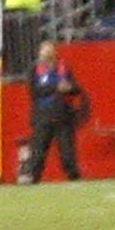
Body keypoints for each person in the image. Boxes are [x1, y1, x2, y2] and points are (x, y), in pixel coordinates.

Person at [20, 40, 89, 183]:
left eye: (50, 50)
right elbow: (34, 91)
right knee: (38, 151)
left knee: (67, 151)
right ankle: (33, 177)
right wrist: (55, 87)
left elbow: (76, 88)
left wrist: (69, 87)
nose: (47, 53)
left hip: (63, 116)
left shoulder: (63, 67)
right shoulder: (34, 69)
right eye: (44, 50)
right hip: (42, 117)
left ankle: (74, 177)